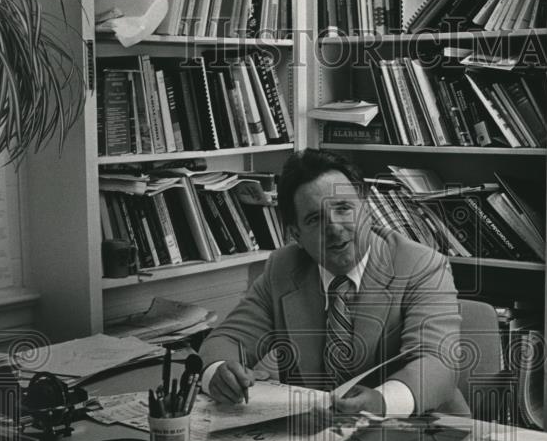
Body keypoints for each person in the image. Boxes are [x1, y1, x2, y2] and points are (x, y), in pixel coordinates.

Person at [199, 149, 467, 416]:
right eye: (315, 219)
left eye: (343, 208)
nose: (335, 228)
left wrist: (381, 402)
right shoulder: (283, 267)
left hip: (420, 431)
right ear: (297, 235)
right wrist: (219, 372)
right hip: (320, 435)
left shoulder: (421, 265)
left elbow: (438, 363)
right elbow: (227, 338)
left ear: (367, 209)